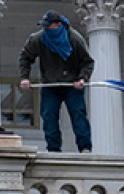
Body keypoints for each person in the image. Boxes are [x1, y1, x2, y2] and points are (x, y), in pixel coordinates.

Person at [19, 10, 96, 154]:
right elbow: (25, 57)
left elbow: (87, 62)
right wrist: (25, 77)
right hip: (50, 85)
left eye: (49, 26)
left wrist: (82, 79)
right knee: (49, 116)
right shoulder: (38, 39)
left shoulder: (74, 39)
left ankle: (85, 147)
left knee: (78, 114)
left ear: (58, 25)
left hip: (72, 85)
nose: (46, 29)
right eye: (44, 26)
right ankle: (53, 149)